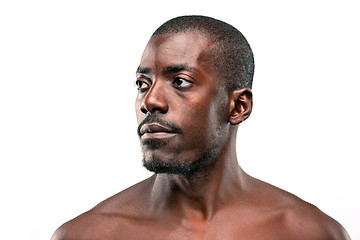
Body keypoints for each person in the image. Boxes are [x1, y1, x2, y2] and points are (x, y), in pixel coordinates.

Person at [51, 15, 350, 240]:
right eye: (142, 84)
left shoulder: (308, 233)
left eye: (180, 81)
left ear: (238, 107)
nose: (150, 100)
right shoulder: (87, 235)